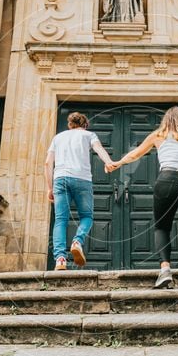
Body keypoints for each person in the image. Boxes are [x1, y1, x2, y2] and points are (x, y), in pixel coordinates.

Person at [107, 107, 178, 317]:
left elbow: (135, 154)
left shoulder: (159, 135)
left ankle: (165, 269)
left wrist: (116, 163)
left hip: (167, 179)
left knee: (162, 225)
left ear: (166, 121)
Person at [45, 112, 114, 271]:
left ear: (70, 124)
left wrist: (50, 187)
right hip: (82, 179)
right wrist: (108, 162)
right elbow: (99, 149)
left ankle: (60, 259)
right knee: (87, 217)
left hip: (60, 179)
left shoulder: (58, 138)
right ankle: (77, 241)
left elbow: (48, 163)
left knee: (61, 220)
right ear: (85, 125)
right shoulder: (89, 135)